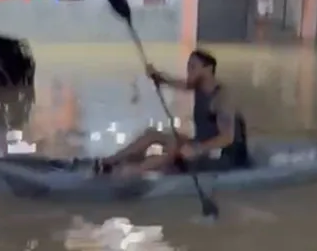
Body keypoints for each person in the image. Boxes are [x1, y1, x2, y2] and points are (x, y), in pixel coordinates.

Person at [96, 50, 249, 177]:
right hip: (201, 146)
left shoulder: (222, 97)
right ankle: (110, 161)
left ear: (208, 69)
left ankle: (131, 172)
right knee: (152, 134)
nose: (188, 71)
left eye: (193, 67)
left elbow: (227, 138)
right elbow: (180, 85)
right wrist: (159, 77)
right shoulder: (199, 86)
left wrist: (197, 149)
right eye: (188, 66)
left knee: (174, 146)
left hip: (224, 158)